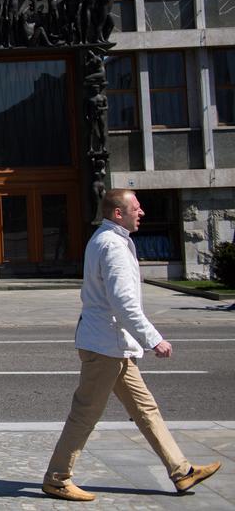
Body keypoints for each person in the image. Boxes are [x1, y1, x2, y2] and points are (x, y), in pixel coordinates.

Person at [42, 189, 221, 502]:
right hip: (105, 346)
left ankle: (181, 471)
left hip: (113, 344)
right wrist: (154, 339)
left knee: (146, 410)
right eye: (136, 208)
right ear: (117, 213)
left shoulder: (109, 239)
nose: (142, 212)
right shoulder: (111, 244)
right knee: (84, 414)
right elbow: (123, 303)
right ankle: (57, 478)